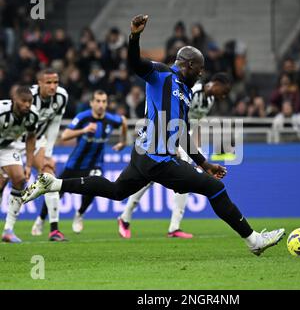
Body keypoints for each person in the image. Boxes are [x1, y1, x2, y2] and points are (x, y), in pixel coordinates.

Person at [21, 14, 285, 256]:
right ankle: (254, 241)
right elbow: (135, 62)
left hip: (145, 154)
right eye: (200, 68)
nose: (202, 72)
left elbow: (182, 133)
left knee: (116, 191)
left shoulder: (187, 92)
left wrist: (204, 164)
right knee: (215, 189)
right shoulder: (161, 73)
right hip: (156, 158)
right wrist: (135, 36)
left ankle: (53, 184)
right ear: (188, 65)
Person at [118, 72, 231, 239]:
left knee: (185, 182)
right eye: (225, 90)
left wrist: (197, 151)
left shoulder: (210, 101)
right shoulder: (193, 91)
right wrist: (174, 145)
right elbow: (175, 116)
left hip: (185, 142)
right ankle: (125, 217)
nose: (225, 95)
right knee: (149, 179)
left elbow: (195, 124)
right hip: (170, 138)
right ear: (216, 83)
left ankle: (174, 227)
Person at [31, 90, 127, 235]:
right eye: (98, 101)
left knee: (96, 187)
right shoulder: (83, 117)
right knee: (55, 190)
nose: (101, 105)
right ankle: (41, 219)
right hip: (75, 165)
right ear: (92, 103)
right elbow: (64, 135)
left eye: (104, 101)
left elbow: (124, 121)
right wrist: (84, 130)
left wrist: (123, 142)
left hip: (95, 164)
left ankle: (79, 214)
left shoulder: (110, 119)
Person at [16, 69, 69, 241]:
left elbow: (55, 125)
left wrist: (49, 152)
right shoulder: (28, 98)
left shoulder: (61, 97)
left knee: (48, 175)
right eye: (48, 82)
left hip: (37, 142)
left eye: (56, 82)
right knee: (4, 181)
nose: (53, 86)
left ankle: (54, 230)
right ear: (39, 83)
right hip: (15, 141)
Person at [0, 86, 38, 243]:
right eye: (24, 101)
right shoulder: (1, 111)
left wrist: (28, 165)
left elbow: (30, 138)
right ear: (14, 100)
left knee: (20, 179)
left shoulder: (32, 116)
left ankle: (8, 230)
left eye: (30, 101)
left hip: (8, 148)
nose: (27, 105)